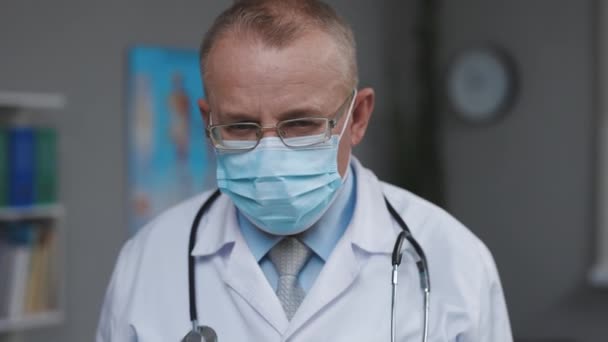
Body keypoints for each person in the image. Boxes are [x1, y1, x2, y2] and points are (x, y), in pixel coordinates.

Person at [96, 1, 513, 341]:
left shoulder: (454, 260)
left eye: (301, 124)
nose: (270, 152)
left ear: (359, 117)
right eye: (241, 126)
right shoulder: (148, 262)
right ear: (208, 123)